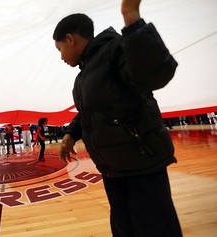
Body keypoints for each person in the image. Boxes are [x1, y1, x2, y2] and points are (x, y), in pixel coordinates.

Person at [54, 1, 182, 236]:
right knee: (125, 230)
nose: (60, 56)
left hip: (141, 163)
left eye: (59, 48)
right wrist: (71, 134)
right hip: (114, 169)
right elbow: (91, 111)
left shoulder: (116, 50)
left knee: (154, 230)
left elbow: (153, 75)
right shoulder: (84, 75)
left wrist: (131, 18)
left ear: (70, 39)